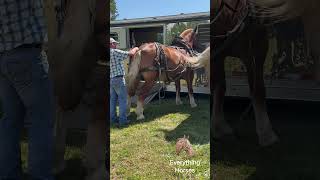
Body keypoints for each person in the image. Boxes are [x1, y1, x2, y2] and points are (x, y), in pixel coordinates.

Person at [0, 1, 54, 179]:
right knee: (41, 119)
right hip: (25, 54)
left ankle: (8, 174)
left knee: (10, 121)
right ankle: (40, 176)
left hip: (3, 58)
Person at [110, 38, 139, 127]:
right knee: (123, 100)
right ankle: (123, 121)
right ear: (111, 44)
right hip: (118, 79)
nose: (116, 45)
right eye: (115, 43)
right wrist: (136, 48)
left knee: (112, 101)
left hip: (111, 79)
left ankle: (113, 119)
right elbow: (131, 53)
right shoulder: (114, 52)